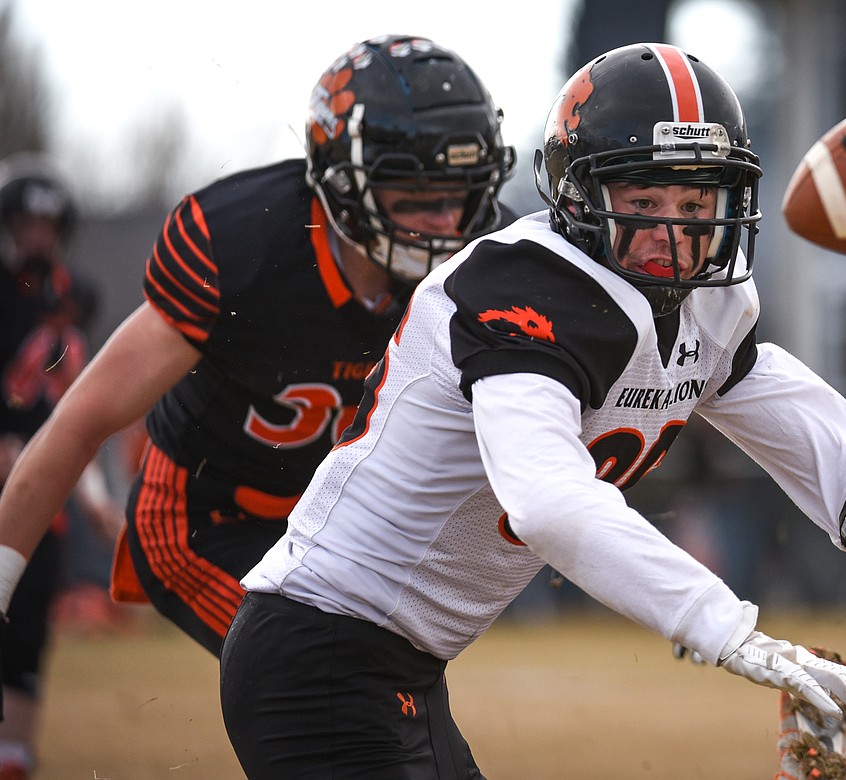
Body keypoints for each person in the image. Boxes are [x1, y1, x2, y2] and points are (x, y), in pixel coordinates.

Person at [219, 42, 846, 778]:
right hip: (318, 652)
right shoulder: (519, 287)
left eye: (695, 207)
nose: (671, 234)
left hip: (397, 666)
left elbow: (809, 427)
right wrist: (725, 627)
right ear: (578, 195)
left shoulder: (715, 305)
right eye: (643, 201)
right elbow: (547, 501)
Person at [0, 30, 515, 692]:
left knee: (392, 694)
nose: (446, 221)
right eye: (413, 192)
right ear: (341, 181)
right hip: (204, 519)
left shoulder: (490, 257)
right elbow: (79, 421)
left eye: (459, 191)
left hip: (333, 530)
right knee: (336, 687)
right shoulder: (243, 246)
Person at [0, 154, 122, 777]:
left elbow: (71, 413)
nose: (37, 237)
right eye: (26, 223)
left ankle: (13, 755)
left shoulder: (77, 300)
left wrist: (95, 498)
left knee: (25, 624)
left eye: (47, 225)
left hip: (38, 490)